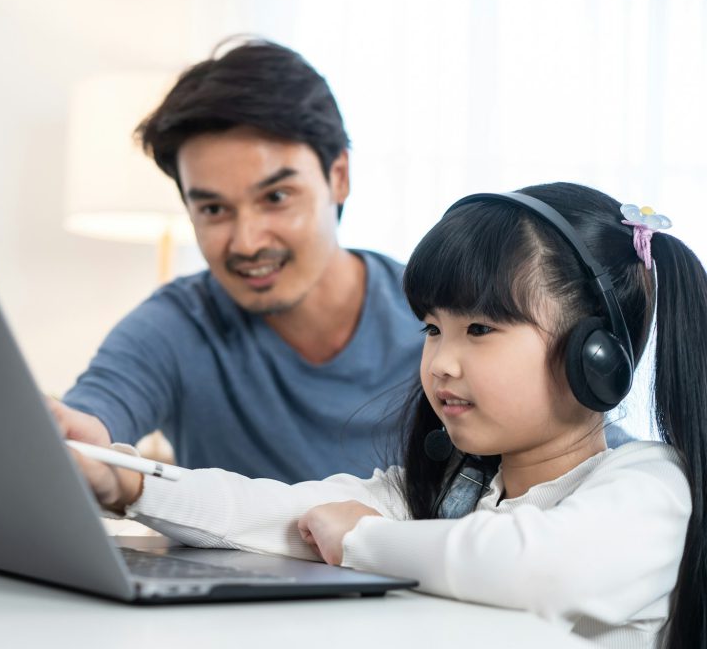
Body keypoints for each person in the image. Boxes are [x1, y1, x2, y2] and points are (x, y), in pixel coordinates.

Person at [57, 182, 706, 648]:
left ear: (596, 358)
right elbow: (284, 513)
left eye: (479, 330)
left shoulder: (647, 487)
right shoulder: (452, 492)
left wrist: (362, 541)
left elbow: (535, 568)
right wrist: (132, 485)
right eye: (431, 329)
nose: (442, 363)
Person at [52, 39, 423, 482]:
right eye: (213, 210)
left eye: (276, 197)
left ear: (338, 177)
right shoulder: (179, 324)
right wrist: (79, 442)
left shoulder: (438, 322)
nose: (246, 243)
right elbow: (96, 414)